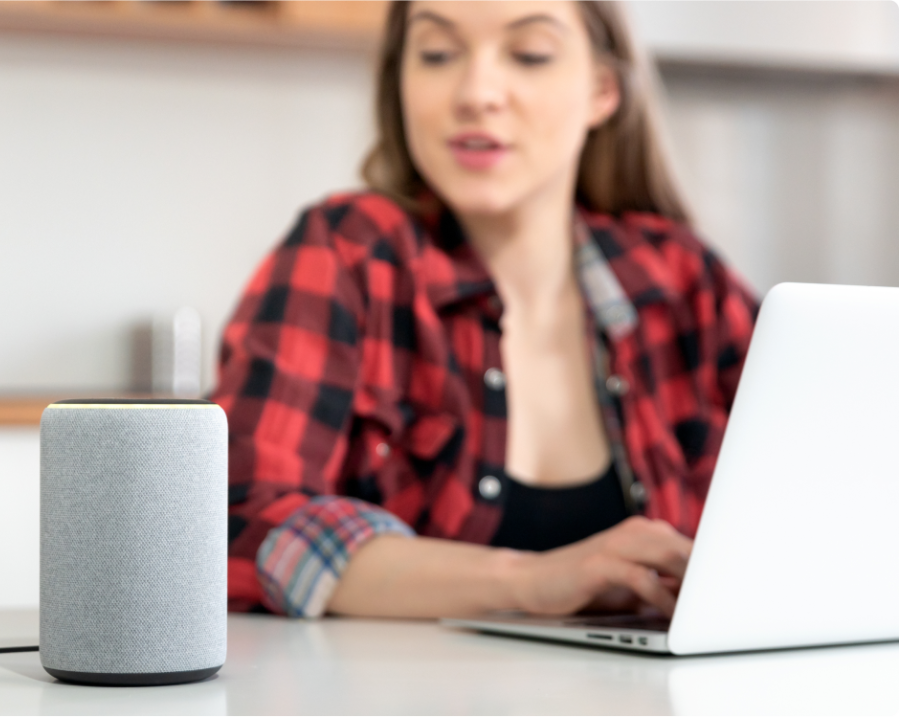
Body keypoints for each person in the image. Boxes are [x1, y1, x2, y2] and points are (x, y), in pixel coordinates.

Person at [211, 0, 758, 620]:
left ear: (603, 91)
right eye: (437, 54)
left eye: (529, 54)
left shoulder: (686, 283)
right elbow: (234, 517)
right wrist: (530, 581)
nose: (476, 93)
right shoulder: (349, 253)